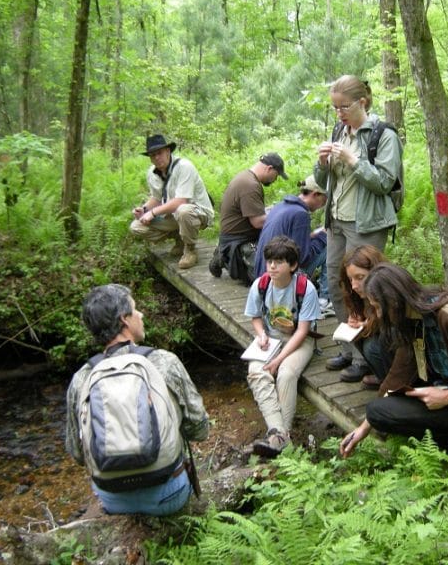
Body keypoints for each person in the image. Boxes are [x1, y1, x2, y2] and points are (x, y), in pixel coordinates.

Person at [338, 264, 448, 458]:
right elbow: (399, 374)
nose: (378, 314)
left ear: (394, 301)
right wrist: (363, 428)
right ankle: (447, 439)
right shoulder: (412, 318)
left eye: (379, 307)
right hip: (444, 393)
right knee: (376, 411)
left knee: (379, 411)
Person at [65, 284, 209, 515]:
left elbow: (77, 453)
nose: (141, 314)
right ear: (125, 320)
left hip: (113, 500)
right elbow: (199, 429)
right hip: (169, 495)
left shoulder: (82, 379)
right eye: (136, 309)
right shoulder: (164, 362)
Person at [314, 75, 404, 382]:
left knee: (367, 291)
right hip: (336, 221)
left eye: (344, 107)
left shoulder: (383, 135)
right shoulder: (340, 129)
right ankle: (352, 349)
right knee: (336, 285)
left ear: (362, 102)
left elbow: (383, 182)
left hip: (366, 225)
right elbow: (325, 181)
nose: (338, 113)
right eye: (335, 108)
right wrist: (322, 162)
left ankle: (373, 356)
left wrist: (353, 160)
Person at [244, 236, 320, 457]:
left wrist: (278, 360)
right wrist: (260, 336)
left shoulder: (306, 289)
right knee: (256, 371)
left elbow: (303, 331)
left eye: (279, 262)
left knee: (286, 373)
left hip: (300, 340)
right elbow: (255, 317)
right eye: (269, 262)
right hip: (272, 337)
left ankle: (278, 438)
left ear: (293, 265)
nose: (272, 267)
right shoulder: (261, 284)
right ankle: (280, 435)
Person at [130, 134, 214, 269]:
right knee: (136, 226)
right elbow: (157, 198)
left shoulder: (184, 167)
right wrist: (144, 210)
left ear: (168, 151)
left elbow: (181, 201)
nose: (157, 157)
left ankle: (190, 250)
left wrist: (152, 213)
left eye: (159, 153)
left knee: (183, 210)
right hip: (175, 214)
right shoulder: (152, 173)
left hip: (198, 212)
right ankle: (179, 239)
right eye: (152, 155)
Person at [254, 174, 331, 314]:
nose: (324, 204)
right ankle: (324, 300)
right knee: (330, 248)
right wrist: (323, 236)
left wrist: (312, 236)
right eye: (324, 200)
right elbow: (302, 258)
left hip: (262, 273)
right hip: (278, 277)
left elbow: (290, 242)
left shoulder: (281, 206)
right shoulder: (300, 214)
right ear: (315, 194)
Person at [209, 152, 288, 285]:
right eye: (276, 175)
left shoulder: (245, 177)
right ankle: (226, 256)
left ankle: (222, 253)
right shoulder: (250, 185)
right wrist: (281, 215)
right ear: (269, 168)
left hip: (232, 234)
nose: (275, 180)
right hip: (240, 240)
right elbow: (258, 222)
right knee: (266, 279)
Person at [337, 245, 389, 388]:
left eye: (360, 277)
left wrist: (370, 324)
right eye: (350, 279)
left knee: (372, 346)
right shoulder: (354, 294)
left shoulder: (390, 290)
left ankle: (391, 381)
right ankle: (382, 376)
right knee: (359, 337)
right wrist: (358, 319)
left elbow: (395, 328)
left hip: (400, 350)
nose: (354, 285)